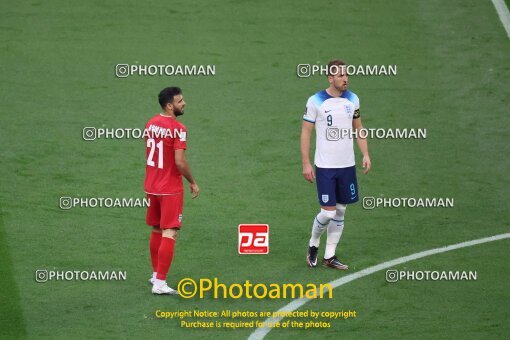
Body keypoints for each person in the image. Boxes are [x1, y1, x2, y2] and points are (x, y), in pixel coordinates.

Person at [301, 60, 371, 270]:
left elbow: (358, 127)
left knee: (341, 210)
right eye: (340, 76)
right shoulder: (316, 101)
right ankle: (313, 244)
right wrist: (306, 163)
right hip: (325, 166)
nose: (345, 79)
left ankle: (329, 256)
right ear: (330, 78)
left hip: (347, 165)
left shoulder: (353, 99)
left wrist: (365, 153)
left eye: (347, 75)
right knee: (328, 212)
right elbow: (306, 132)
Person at [144, 87, 199, 294]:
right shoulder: (179, 128)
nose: (184, 103)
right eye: (180, 101)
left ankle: (155, 274)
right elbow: (179, 161)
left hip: (152, 185)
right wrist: (192, 181)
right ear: (170, 106)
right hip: (169, 188)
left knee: (157, 228)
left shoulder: (150, 123)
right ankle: (160, 284)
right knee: (170, 231)